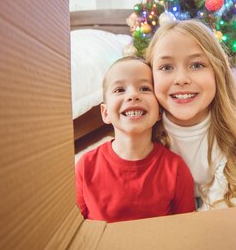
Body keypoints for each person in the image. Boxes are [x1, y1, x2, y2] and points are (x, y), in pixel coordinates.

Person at [145, 20, 236, 211]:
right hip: (172, 201)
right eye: (166, 67)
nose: (181, 79)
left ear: (218, 72)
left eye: (197, 65)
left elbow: (218, 205)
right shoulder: (145, 134)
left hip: (221, 198)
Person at [75, 56, 195, 223]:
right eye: (119, 90)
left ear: (159, 111)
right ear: (105, 112)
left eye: (145, 88)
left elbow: (186, 227)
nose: (133, 96)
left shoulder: (175, 169)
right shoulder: (85, 166)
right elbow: (74, 227)